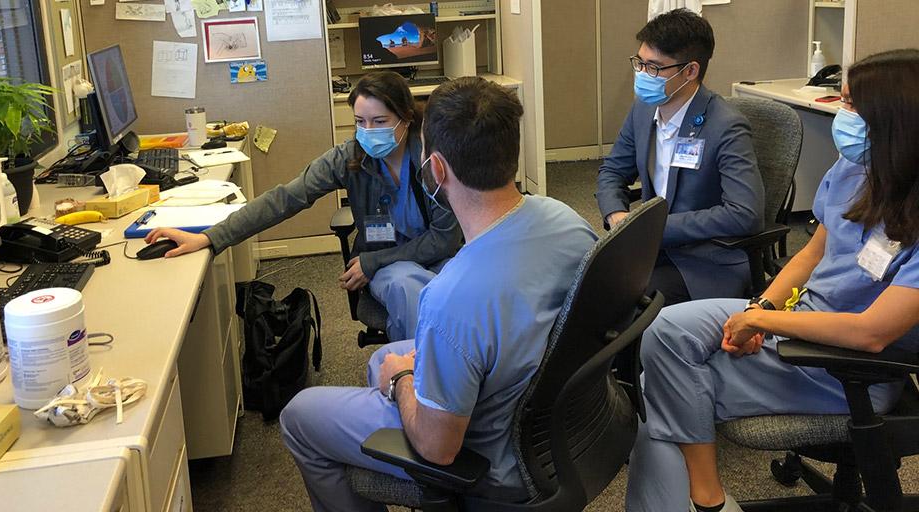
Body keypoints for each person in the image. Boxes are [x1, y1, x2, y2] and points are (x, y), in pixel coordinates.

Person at [279, 77, 598, 511]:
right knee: (381, 357)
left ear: (437, 169)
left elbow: (438, 448)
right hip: (569, 426)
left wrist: (403, 379)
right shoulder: (567, 220)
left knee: (301, 414)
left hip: (492, 460)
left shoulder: (450, 298)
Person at [626, 49, 919, 512]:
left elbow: (871, 333)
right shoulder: (853, 172)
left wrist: (769, 324)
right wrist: (762, 310)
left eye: (852, 106)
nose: (842, 116)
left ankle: (706, 502)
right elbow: (811, 253)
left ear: (894, 122)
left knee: (661, 386)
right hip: (801, 321)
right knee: (667, 332)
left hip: (845, 366)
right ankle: (706, 497)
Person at [145, 71, 461, 341]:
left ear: (405, 118)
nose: (368, 131)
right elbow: (283, 199)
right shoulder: (349, 158)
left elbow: (444, 239)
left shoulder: (432, 159)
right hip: (389, 268)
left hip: (431, 257)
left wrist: (375, 260)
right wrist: (210, 238)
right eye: (360, 122)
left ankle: (443, 382)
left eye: (380, 121)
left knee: (458, 296)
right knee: (408, 289)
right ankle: (422, 384)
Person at [596, 8, 763, 306]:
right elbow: (612, 171)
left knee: (620, 304)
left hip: (702, 261)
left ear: (690, 71)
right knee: (583, 284)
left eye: (655, 68)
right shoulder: (643, 110)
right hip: (647, 250)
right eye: (640, 63)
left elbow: (744, 214)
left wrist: (654, 228)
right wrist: (615, 216)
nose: (643, 75)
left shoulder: (725, 125)